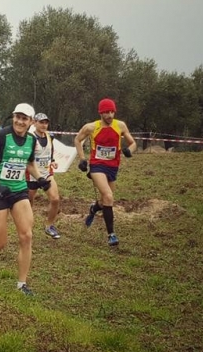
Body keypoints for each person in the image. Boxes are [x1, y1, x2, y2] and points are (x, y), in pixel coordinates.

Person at [0, 103, 48, 295]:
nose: (19, 121)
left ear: (31, 122)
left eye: (24, 118)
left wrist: (40, 178)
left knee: (27, 236)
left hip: (19, 191)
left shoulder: (31, 140)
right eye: (17, 116)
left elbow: (30, 163)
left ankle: (21, 284)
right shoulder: (2, 136)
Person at [74, 98, 136, 246]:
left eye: (112, 111)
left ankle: (94, 208)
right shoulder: (91, 127)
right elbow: (77, 140)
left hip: (113, 166)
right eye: (106, 112)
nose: (110, 115)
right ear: (101, 113)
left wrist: (129, 151)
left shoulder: (120, 125)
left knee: (105, 201)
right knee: (108, 196)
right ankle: (111, 235)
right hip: (97, 166)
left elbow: (133, 143)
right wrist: (82, 159)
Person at [27, 113, 62, 239]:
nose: (44, 125)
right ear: (34, 123)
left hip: (46, 173)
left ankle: (49, 225)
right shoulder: (30, 138)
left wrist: (52, 161)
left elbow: (50, 151)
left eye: (46, 122)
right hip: (31, 175)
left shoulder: (49, 136)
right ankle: (27, 227)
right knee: (29, 202)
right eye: (41, 122)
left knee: (55, 199)